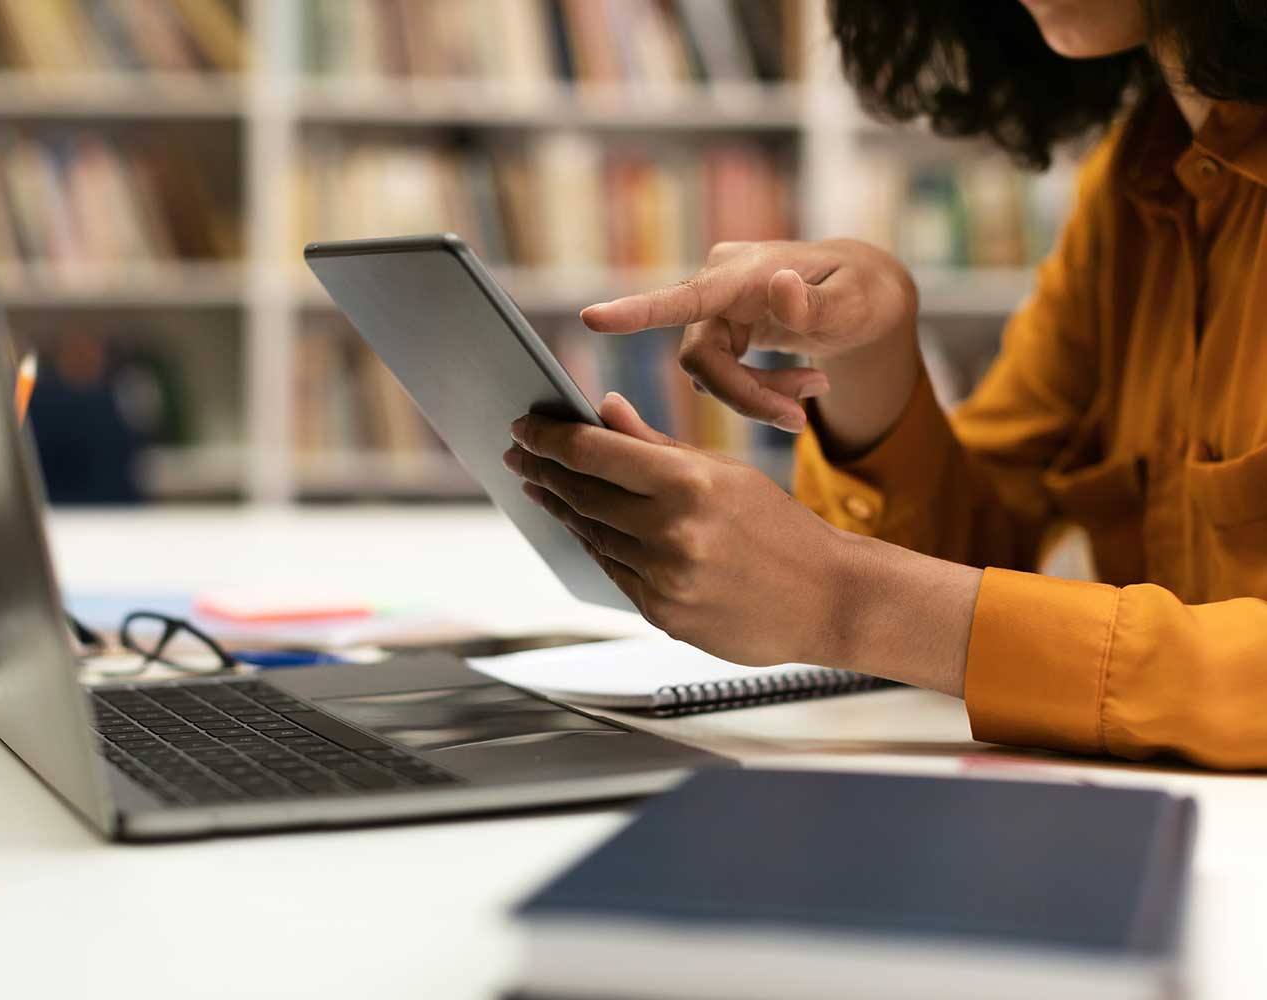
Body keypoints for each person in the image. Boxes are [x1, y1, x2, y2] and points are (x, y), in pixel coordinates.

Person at [501, 0, 1267, 769]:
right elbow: (972, 563)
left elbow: (918, 612)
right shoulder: (1136, 178)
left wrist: (847, 601)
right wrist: (871, 353)